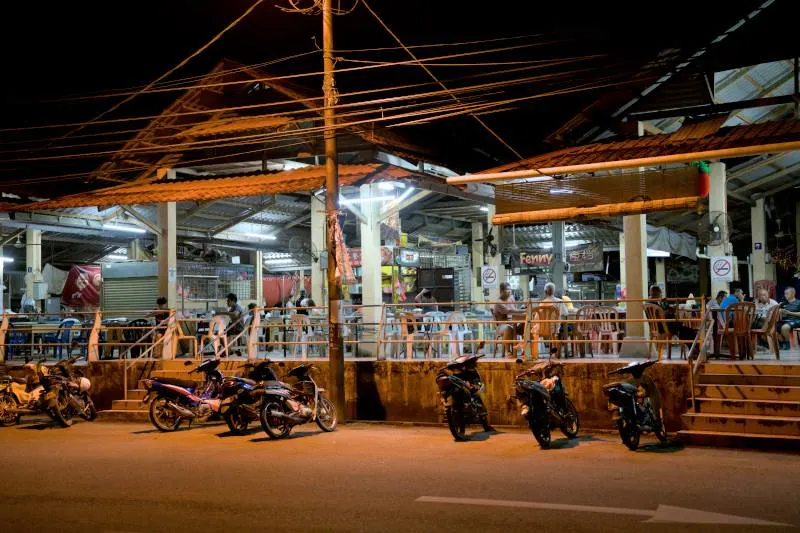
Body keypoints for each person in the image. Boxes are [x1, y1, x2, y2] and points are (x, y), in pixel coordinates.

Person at [491, 282, 519, 360]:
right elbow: (509, 311)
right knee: (508, 328)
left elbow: (515, 309)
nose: (509, 291)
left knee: (525, 325)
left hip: (513, 322)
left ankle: (525, 350)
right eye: (507, 289)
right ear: (502, 291)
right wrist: (523, 311)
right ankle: (508, 351)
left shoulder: (511, 298)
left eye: (510, 289)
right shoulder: (499, 302)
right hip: (502, 325)